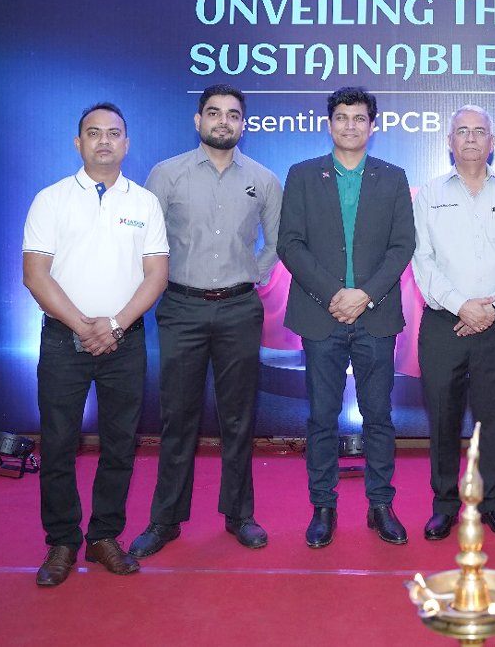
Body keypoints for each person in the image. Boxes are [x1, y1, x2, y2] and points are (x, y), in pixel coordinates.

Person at [129, 84, 282, 558]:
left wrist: (250, 275)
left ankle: (239, 515)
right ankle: (165, 520)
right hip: (181, 307)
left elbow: (277, 243)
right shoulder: (166, 174)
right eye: (213, 113)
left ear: (243, 124)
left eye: (232, 114)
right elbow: (145, 240)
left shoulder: (263, 180)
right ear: (198, 121)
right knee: (178, 417)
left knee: (239, 417)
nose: (223, 121)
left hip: (239, 308)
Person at [21, 102, 168, 586]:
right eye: (94, 132)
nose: (104, 140)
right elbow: (35, 275)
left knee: (120, 445)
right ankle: (62, 541)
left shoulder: (144, 203)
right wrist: (83, 325)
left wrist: (117, 325)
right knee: (58, 443)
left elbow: (156, 275)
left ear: (127, 143)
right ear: (78, 142)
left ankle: (105, 535)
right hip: (64, 340)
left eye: (114, 133)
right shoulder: (50, 200)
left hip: (125, 341)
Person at [278, 86, 415, 549]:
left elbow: (402, 246)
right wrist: (334, 294)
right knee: (322, 416)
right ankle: (323, 507)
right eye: (342, 117)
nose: (350, 125)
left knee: (379, 415)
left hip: (375, 316)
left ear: (373, 126)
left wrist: (365, 295)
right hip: (321, 315)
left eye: (359, 118)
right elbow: (290, 243)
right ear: (329, 123)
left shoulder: (392, 177)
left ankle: (381, 505)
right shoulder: (302, 175)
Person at [411, 105, 495, 541]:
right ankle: (445, 504)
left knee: (491, 419)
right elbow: (422, 259)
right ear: (449, 142)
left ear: (492, 142)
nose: (470, 138)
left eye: (479, 131)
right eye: (462, 131)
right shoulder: (429, 195)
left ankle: (493, 504)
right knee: (442, 418)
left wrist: (493, 306)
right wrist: (461, 306)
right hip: (443, 324)